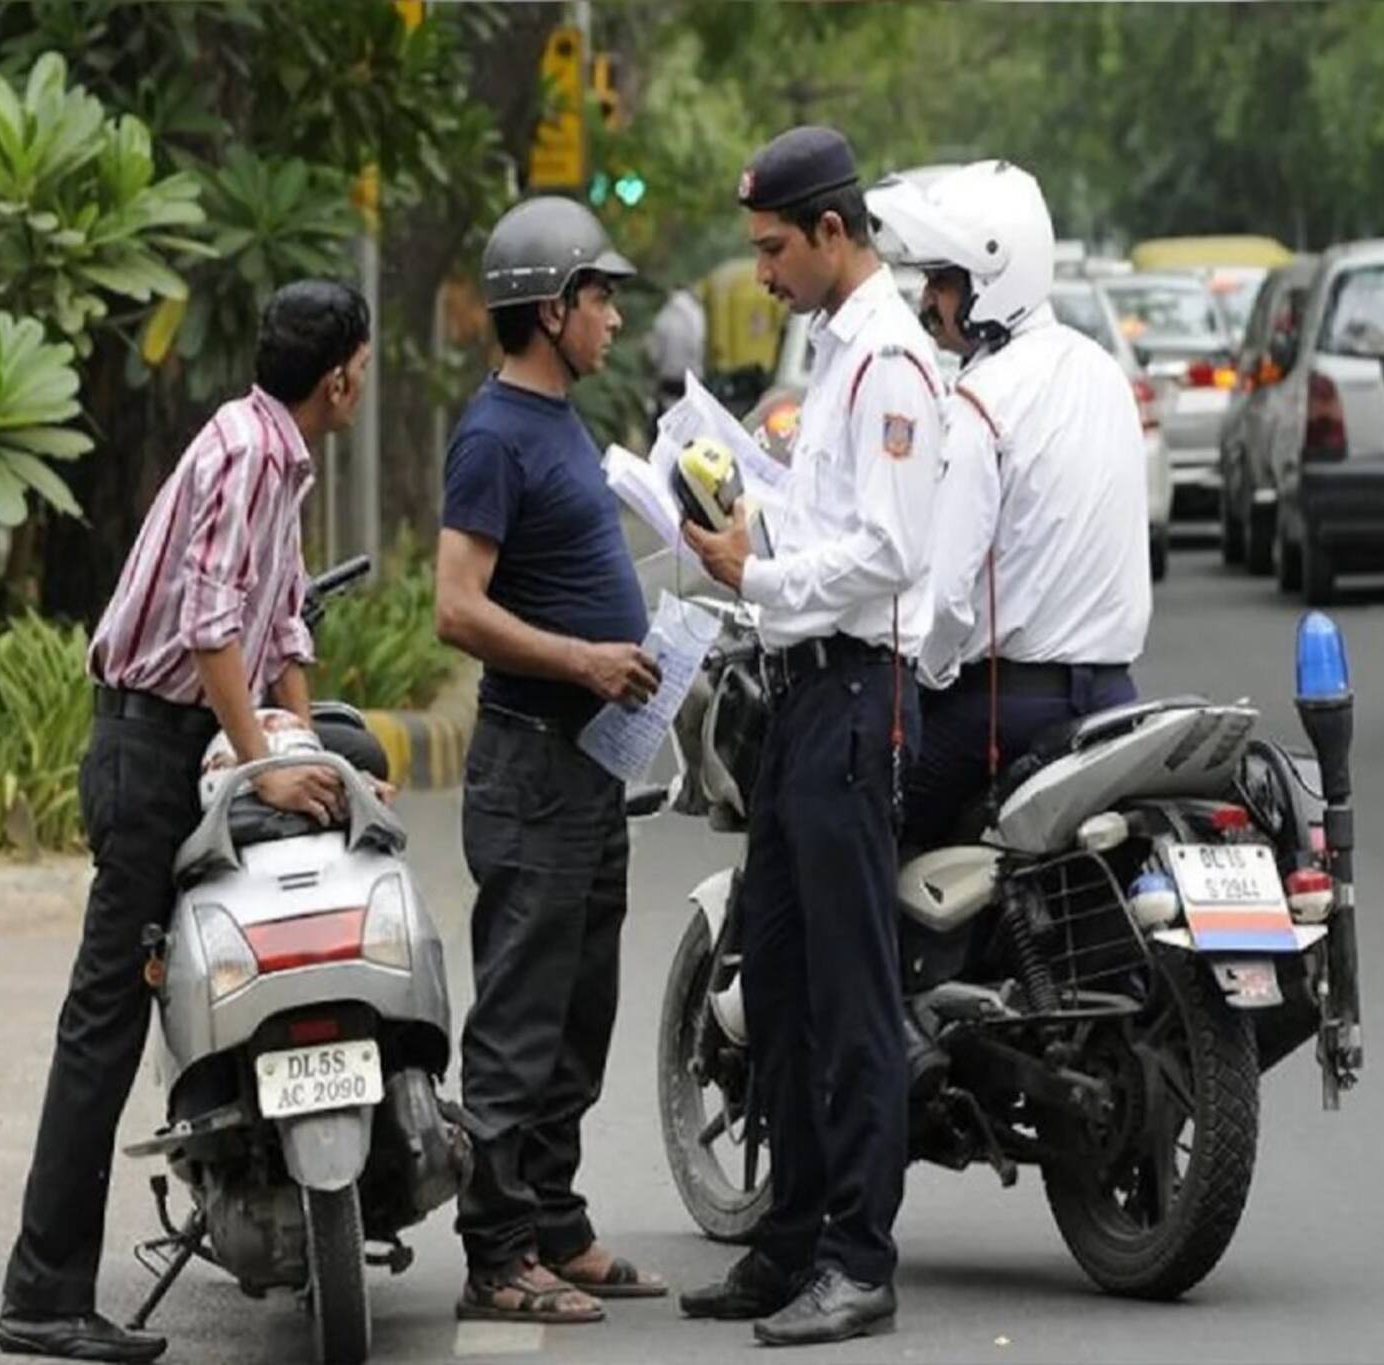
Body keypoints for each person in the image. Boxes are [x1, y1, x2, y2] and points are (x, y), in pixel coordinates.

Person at [0, 281, 373, 1363]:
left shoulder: (274, 452)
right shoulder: (250, 454)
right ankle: (43, 1296)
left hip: (174, 743)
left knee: (167, 988)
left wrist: (313, 759)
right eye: (363, 363)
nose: (363, 381)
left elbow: (282, 619)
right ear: (341, 373)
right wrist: (263, 769)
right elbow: (212, 629)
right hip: (148, 752)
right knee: (104, 1022)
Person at [679, 125, 943, 1348]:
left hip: (850, 694)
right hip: (799, 695)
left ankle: (856, 1257)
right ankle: (785, 1244)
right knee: (773, 979)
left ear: (831, 232)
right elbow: (821, 511)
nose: (764, 271)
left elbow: (890, 554)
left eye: (774, 248)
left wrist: (759, 575)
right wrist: (742, 508)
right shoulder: (834, 353)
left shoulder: (890, 360)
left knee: (848, 989)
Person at [433, 196, 668, 1326]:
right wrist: (580, 660)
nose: (614, 317)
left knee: (581, 1006)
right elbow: (454, 608)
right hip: (530, 764)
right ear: (548, 307)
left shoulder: (560, 420)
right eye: (600, 296)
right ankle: (495, 1252)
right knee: (522, 1013)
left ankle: (557, 1223)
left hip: (587, 770)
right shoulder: (491, 436)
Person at [868, 161, 1152, 855]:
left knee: (859, 833)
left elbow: (947, 597)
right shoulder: (1103, 373)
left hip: (1001, 711)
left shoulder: (981, 402)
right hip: (1117, 700)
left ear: (989, 280)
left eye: (942, 281)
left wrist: (912, 673)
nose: (928, 301)